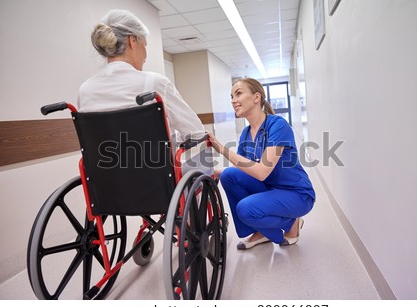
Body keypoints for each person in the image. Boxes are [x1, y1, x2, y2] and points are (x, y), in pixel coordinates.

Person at [209, 78, 315, 250]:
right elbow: (241, 169)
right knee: (229, 176)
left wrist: (222, 149)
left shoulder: (277, 125)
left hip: (296, 194)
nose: (233, 100)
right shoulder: (245, 133)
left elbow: (262, 172)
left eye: (238, 93)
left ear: (256, 97)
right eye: (231, 96)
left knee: (245, 209)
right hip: (270, 189)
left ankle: (291, 223)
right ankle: (262, 230)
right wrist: (212, 172)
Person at [78, 9, 205, 142]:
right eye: (144, 45)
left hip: (103, 162)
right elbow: (196, 133)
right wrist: (171, 137)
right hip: (154, 162)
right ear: (132, 40)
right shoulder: (155, 84)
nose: (145, 55)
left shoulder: (85, 90)